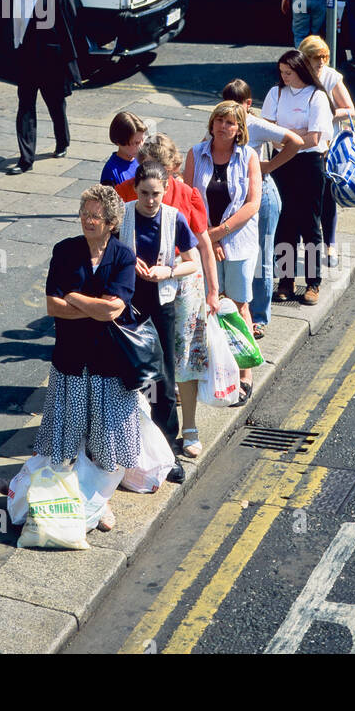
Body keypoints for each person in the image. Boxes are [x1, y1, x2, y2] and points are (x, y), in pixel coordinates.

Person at [33, 186, 140, 505]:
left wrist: (74, 296)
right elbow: (53, 307)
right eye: (84, 213)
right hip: (71, 359)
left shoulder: (123, 256)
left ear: (111, 223)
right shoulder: (65, 250)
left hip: (109, 362)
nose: (88, 220)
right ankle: (61, 492)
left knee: (104, 441)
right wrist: (95, 307)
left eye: (96, 216)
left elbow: (113, 311)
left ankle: (98, 501)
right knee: (67, 435)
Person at [121, 162, 200, 480]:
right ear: (135, 190)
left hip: (161, 304)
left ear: (166, 190)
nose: (150, 200)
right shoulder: (123, 214)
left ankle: (168, 454)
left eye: (156, 194)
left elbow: (191, 263)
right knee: (128, 378)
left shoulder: (174, 218)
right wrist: (127, 262)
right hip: (127, 306)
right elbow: (104, 251)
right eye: (144, 193)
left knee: (164, 380)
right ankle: (130, 451)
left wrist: (166, 271)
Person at [184, 102, 261, 405]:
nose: (223, 126)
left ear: (240, 128)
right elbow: (190, 198)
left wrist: (218, 233)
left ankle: (245, 373)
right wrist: (207, 237)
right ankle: (213, 367)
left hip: (238, 242)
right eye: (219, 120)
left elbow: (252, 204)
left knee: (240, 306)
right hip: (203, 241)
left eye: (230, 122)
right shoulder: (195, 153)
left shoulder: (250, 156)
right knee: (207, 305)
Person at [220, 80, 303, 340]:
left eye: (238, 106)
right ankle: (237, 309)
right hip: (235, 201)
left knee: (262, 257)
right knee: (240, 255)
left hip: (262, 197)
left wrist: (267, 166)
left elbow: (295, 141)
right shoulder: (223, 124)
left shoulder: (254, 124)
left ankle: (259, 317)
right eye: (227, 105)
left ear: (248, 104)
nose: (232, 113)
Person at [261, 51, 333, 306]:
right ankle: (286, 280)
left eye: (288, 73)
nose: (284, 77)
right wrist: (293, 135)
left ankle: (313, 282)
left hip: (309, 164)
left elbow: (315, 138)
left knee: (309, 223)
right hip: (282, 163)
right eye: (281, 72)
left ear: (301, 70)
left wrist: (285, 136)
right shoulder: (275, 93)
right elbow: (266, 130)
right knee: (285, 222)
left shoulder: (317, 96)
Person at [6, 0, 79, 175]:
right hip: (28, 62)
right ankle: (25, 159)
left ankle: (62, 141)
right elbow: (17, 26)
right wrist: (17, 49)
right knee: (25, 109)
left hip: (52, 65)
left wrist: (68, 64)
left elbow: (70, 30)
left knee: (56, 106)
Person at [299, 35, 355, 267]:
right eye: (316, 57)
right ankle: (306, 243)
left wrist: (328, 114)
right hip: (301, 147)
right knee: (302, 198)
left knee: (326, 197)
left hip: (326, 148)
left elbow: (350, 109)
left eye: (324, 56)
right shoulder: (297, 75)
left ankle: (330, 246)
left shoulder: (331, 77)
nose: (321, 61)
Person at [101, 110, 147, 187]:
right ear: (120, 141)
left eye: (142, 140)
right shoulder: (111, 173)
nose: (141, 146)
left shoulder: (144, 160)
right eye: (135, 143)